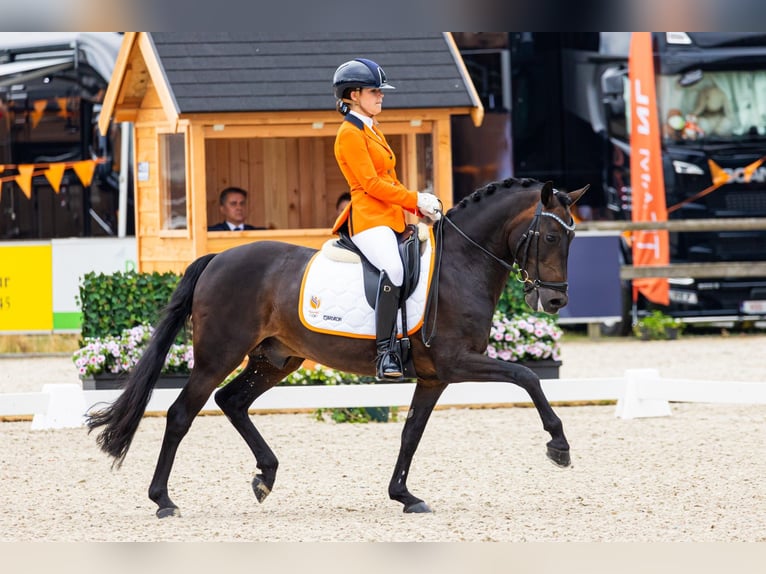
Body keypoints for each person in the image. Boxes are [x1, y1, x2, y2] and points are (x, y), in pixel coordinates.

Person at [330, 57, 441, 381]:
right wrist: (414, 198)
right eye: (374, 91)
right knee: (392, 268)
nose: (381, 96)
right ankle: (385, 353)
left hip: (390, 217)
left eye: (380, 91)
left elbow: (389, 179)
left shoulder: (371, 128)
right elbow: (371, 185)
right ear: (353, 95)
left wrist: (418, 208)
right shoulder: (349, 134)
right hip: (368, 219)